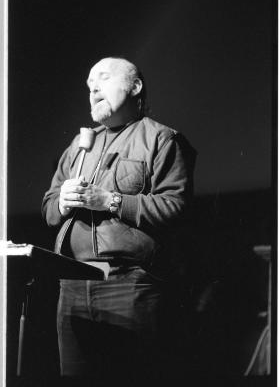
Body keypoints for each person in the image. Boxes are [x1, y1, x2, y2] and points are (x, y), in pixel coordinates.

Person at [42, 56, 196, 384]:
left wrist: (109, 200)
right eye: (88, 85)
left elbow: (175, 207)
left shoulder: (162, 140)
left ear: (135, 86)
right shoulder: (79, 146)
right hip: (72, 286)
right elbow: (48, 207)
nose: (93, 88)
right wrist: (64, 203)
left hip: (130, 287)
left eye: (103, 77)